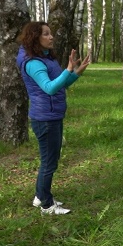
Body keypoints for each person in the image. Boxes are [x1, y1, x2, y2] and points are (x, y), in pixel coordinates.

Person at [17, 21, 90, 215]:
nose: (51, 37)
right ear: (35, 38)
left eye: (51, 34)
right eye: (46, 34)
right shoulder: (33, 63)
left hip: (53, 116)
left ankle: (40, 196)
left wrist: (76, 72)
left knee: (51, 159)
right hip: (45, 119)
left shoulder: (46, 58)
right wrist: (67, 69)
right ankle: (46, 205)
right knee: (49, 162)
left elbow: (61, 85)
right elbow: (49, 88)